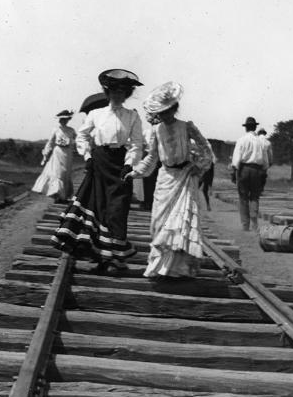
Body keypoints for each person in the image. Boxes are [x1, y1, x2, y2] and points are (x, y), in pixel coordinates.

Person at [51, 69, 144, 274]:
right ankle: (101, 256)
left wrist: (130, 163)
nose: (117, 95)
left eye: (122, 92)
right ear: (107, 92)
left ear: (127, 94)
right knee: (99, 207)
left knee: (118, 209)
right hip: (99, 162)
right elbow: (82, 137)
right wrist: (88, 157)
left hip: (120, 164)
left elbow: (137, 143)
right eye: (113, 91)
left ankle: (116, 259)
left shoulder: (132, 116)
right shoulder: (96, 114)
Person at [124, 81, 213, 278]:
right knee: (159, 222)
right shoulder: (156, 131)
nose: (164, 115)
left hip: (185, 178)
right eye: (161, 112)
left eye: (168, 111)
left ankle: (179, 270)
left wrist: (197, 167)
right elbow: (151, 157)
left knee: (182, 223)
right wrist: (136, 172)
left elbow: (207, 150)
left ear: (174, 108)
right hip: (165, 179)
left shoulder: (187, 127)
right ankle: (160, 267)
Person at [231, 116, 269, 231]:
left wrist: (234, 172)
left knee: (243, 198)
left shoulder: (242, 140)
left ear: (246, 128)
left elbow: (236, 159)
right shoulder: (261, 141)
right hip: (257, 171)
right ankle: (254, 224)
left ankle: (245, 225)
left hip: (244, 170)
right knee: (254, 197)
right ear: (255, 127)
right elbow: (266, 162)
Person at [31, 110, 76, 203]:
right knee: (58, 173)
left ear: (68, 119)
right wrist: (46, 154)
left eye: (64, 119)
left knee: (65, 174)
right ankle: (57, 195)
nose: (62, 121)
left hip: (68, 153)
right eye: (61, 119)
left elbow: (77, 140)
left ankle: (64, 195)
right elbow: (50, 142)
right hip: (58, 152)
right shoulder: (55, 130)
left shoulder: (71, 130)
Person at [198, 140, 217, 210]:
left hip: (202, 174)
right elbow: (212, 174)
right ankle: (207, 205)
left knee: (198, 189)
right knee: (204, 190)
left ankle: (205, 205)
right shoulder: (210, 158)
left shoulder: (203, 155)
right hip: (205, 175)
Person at [257, 127, 273, 194]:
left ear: (259, 133)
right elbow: (270, 154)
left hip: (256, 161)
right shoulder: (268, 142)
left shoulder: (255, 140)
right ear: (264, 134)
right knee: (263, 176)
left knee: (256, 176)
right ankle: (261, 190)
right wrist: (270, 162)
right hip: (265, 161)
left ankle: (256, 190)